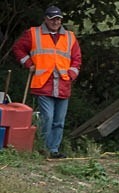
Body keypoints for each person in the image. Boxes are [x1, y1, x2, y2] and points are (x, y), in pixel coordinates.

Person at [12, 6, 81, 159]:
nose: (56, 21)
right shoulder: (33, 33)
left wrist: (71, 74)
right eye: (52, 18)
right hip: (43, 83)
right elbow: (18, 49)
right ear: (45, 19)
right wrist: (29, 64)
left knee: (59, 121)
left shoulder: (70, 37)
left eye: (58, 19)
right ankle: (42, 148)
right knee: (47, 117)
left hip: (63, 84)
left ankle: (53, 150)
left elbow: (76, 59)